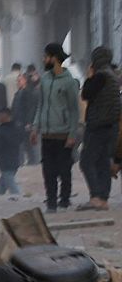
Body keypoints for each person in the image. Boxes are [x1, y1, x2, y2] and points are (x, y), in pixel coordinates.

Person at [35, 42, 81, 211]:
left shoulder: (69, 82)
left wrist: (72, 134)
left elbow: (74, 110)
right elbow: (41, 106)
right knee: (48, 171)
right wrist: (35, 128)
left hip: (63, 134)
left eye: (46, 56)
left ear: (54, 58)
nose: (44, 59)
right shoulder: (45, 79)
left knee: (64, 169)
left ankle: (64, 199)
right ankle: (51, 201)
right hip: (46, 134)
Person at [79, 47, 119, 211]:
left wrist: (89, 76)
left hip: (97, 125)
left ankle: (96, 196)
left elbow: (85, 94)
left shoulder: (100, 76)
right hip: (111, 126)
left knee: (86, 161)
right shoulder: (113, 76)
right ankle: (103, 198)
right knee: (103, 162)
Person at [15, 68, 43, 167]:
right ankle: (27, 161)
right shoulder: (19, 92)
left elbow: (29, 108)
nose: (17, 82)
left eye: (20, 80)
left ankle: (30, 161)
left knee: (26, 143)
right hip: (20, 122)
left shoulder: (28, 92)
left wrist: (29, 122)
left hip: (24, 122)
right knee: (25, 143)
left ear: (25, 81)